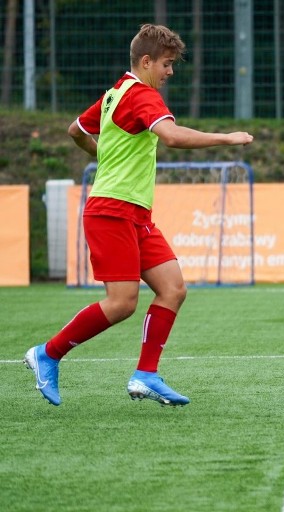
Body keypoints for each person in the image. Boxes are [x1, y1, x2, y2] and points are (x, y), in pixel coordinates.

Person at [23, 24, 254, 407]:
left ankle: (145, 375)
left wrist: (102, 154)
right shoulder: (143, 97)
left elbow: (75, 130)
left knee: (173, 288)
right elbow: (173, 137)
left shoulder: (116, 94)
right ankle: (47, 353)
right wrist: (228, 137)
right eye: (166, 64)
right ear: (146, 61)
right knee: (121, 303)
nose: (170, 72)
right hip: (111, 211)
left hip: (136, 214)